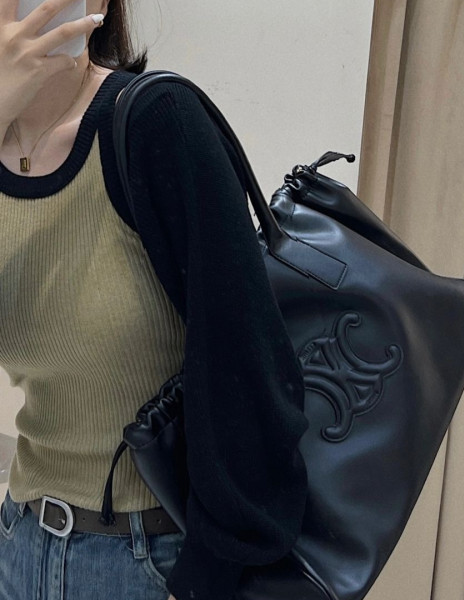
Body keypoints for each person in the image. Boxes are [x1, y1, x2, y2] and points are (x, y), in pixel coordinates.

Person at [0, 1, 310, 599]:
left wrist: (208, 576)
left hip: (149, 559)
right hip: (20, 542)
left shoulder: (155, 121)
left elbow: (245, 360)